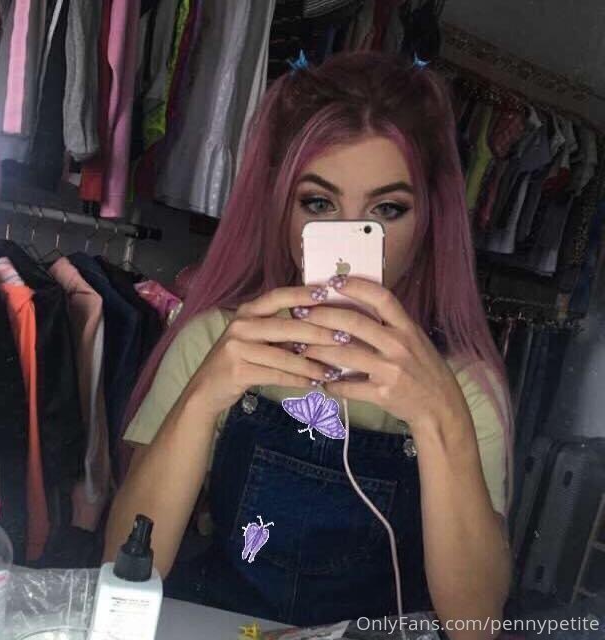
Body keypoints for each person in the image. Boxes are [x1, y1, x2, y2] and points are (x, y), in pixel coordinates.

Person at [104, 51, 513, 634]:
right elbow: (122, 565)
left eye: (386, 210)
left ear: (427, 223)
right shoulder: (219, 341)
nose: (346, 240)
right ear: (283, 212)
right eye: (319, 203)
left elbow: (477, 625)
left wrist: (438, 415)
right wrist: (201, 399)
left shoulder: (463, 385)